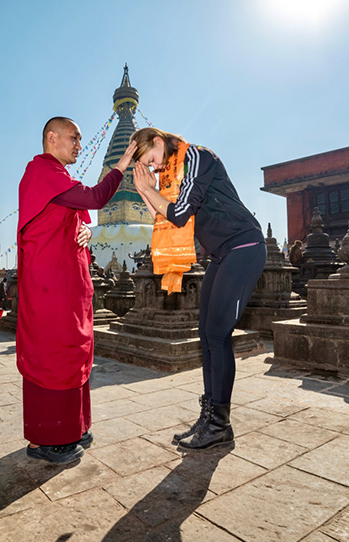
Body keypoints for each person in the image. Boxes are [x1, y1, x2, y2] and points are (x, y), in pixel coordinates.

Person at [130, 127, 266, 450]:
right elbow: (165, 220)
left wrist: (149, 191)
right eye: (148, 167)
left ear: (159, 143)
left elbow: (177, 214)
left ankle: (221, 423)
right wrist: (144, 190)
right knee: (206, 334)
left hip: (244, 246)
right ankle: (209, 416)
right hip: (220, 254)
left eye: (151, 159)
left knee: (219, 334)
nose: (154, 168)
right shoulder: (172, 173)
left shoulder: (195, 158)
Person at [16, 116, 136, 464]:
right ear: (52, 138)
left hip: (67, 285)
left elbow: (74, 214)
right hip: (50, 287)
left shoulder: (59, 179)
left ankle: (73, 426)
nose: (79, 146)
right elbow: (97, 197)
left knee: (74, 352)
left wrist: (86, 230)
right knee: (53, 355)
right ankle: (46, 439)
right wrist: (122, 165)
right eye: (74, 138)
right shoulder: (42, 173)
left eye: (82, 140)